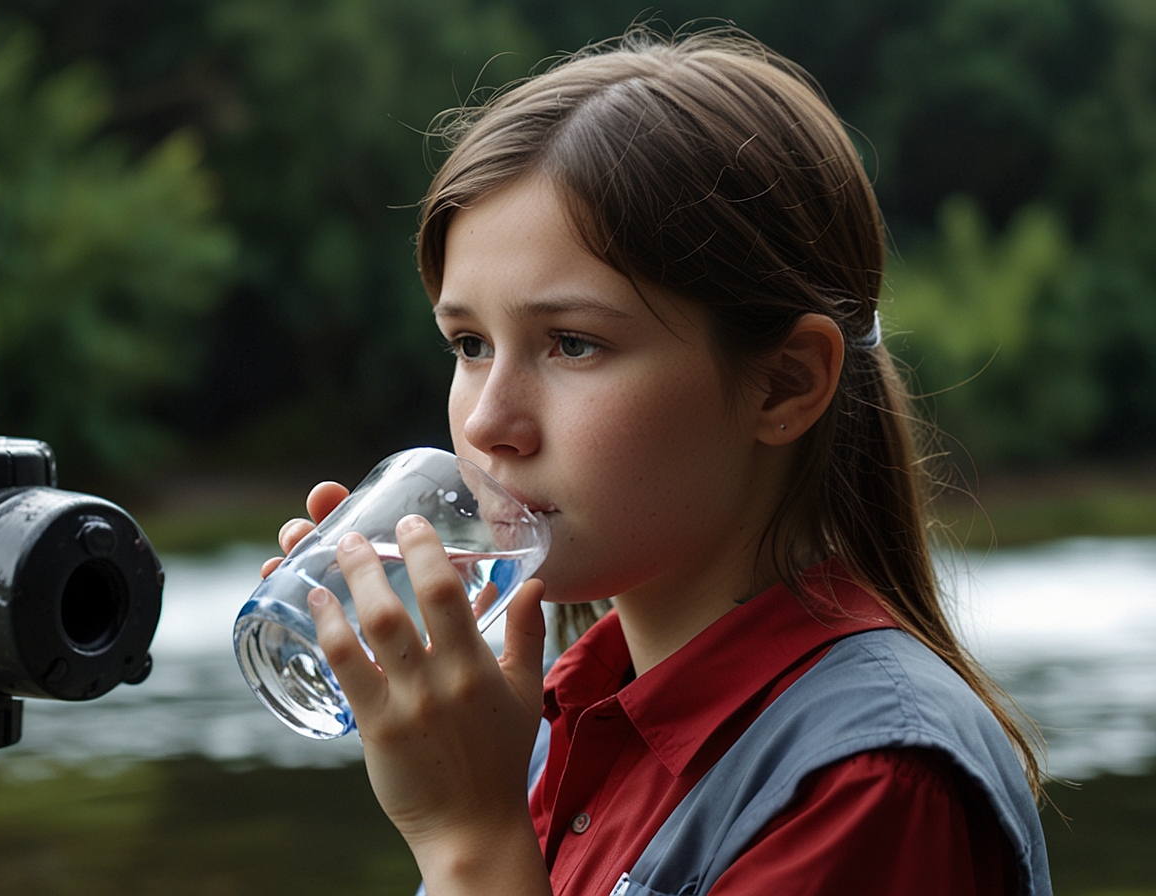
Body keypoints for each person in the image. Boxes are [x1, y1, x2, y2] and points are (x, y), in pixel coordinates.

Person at [262, 25, 1052, 896]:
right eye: (470, 343)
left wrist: (467, 840)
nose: (489, 423)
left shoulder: (868, 784)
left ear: (784, 385)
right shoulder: (550, 722)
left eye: (571, 344)